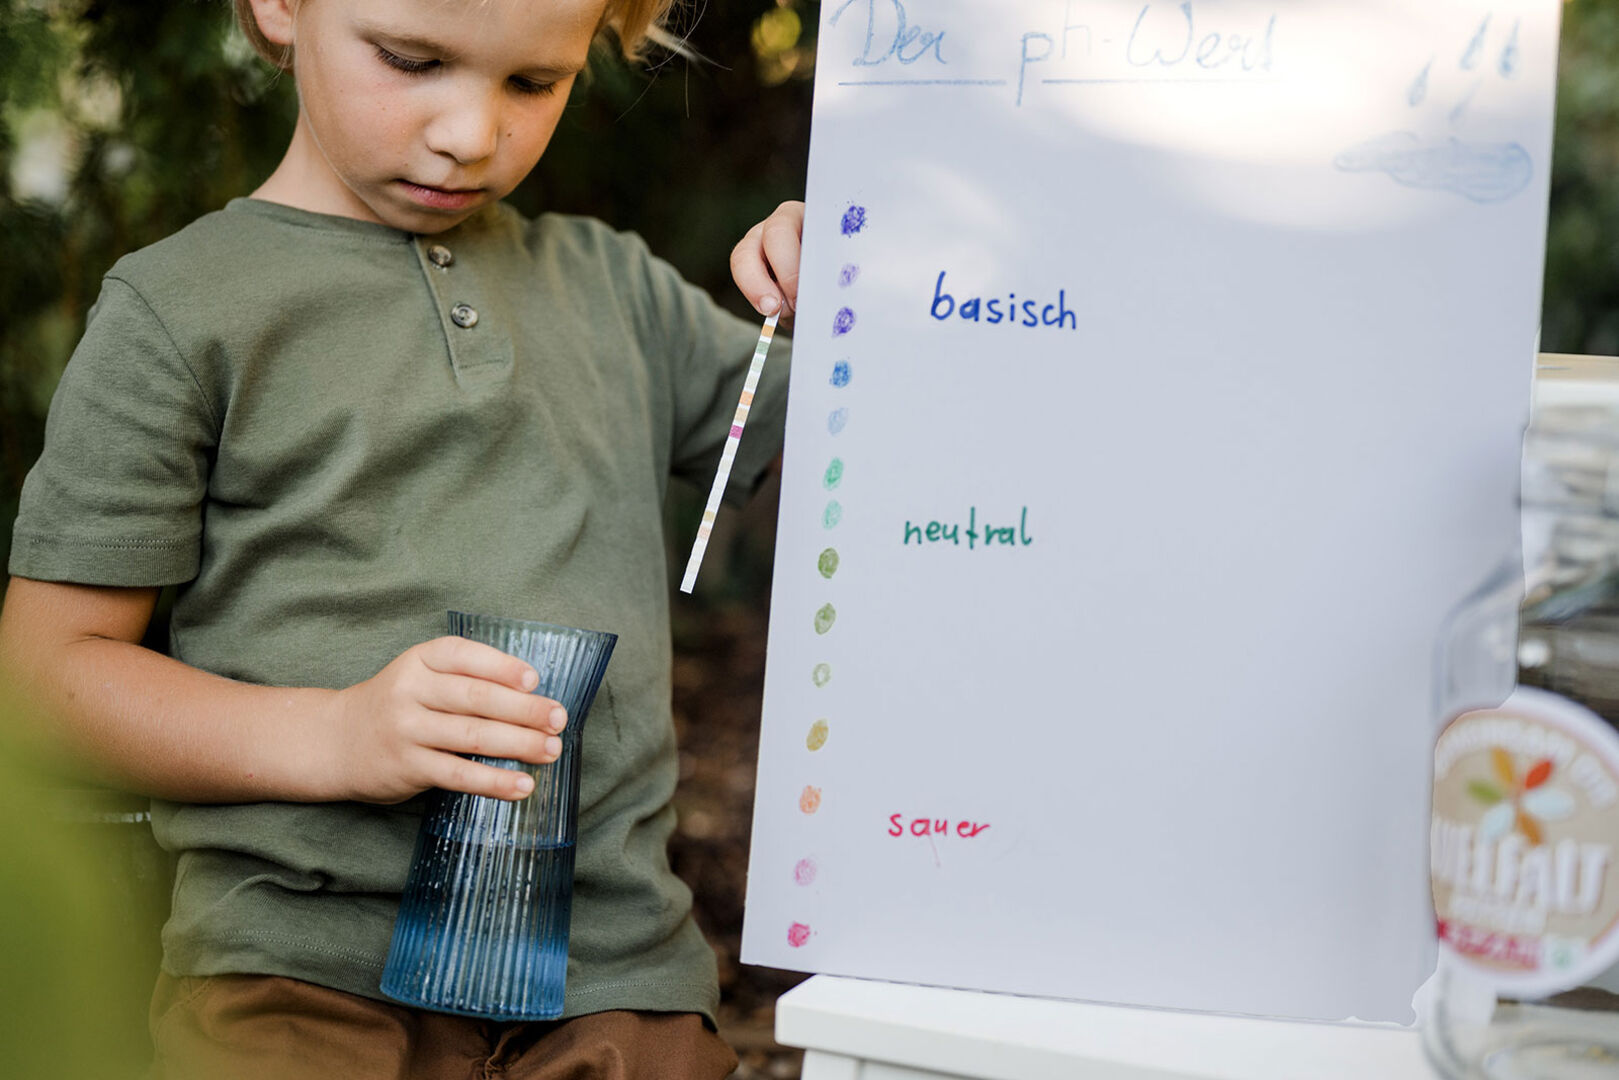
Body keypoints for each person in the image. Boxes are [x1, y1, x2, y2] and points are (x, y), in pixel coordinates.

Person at [0, 0, 804, 1075]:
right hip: (299, 979)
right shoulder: (179, 310)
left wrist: (850, 297)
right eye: (410, 59)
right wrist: (335, 735)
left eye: (533, 83)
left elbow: (870, 466)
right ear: (282, 9)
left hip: (617, 988)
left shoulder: (619, 292)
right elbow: (45, 680)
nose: (471, 133)